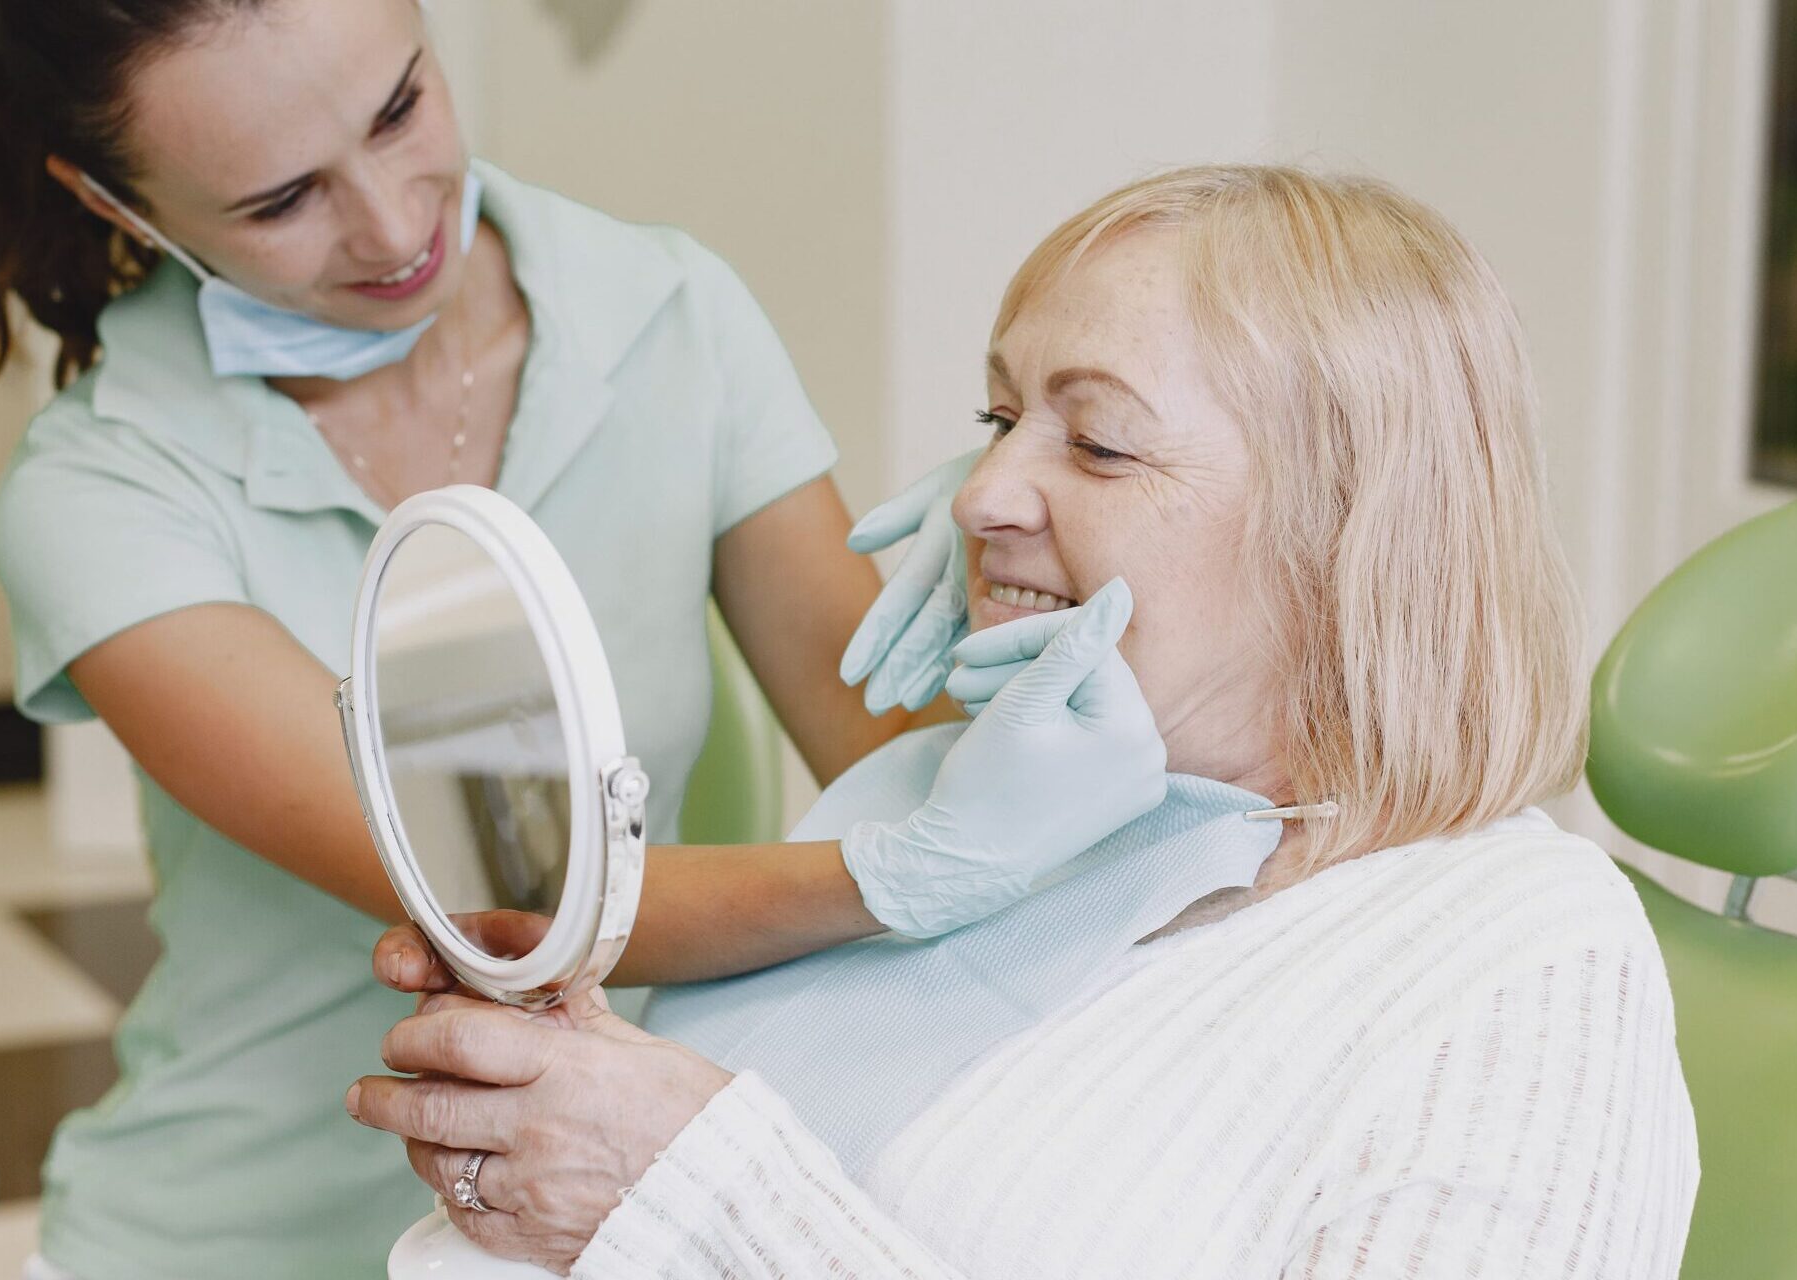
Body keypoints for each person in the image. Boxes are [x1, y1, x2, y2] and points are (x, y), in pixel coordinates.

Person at [0, 0, 1167, 1275]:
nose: (396, 227)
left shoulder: (666, 312)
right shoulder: (102, 491)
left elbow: (891, 752)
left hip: (594, 1216)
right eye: (280, 199)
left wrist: (1037, 550)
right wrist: (894, 872)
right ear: (119, 203)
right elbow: (507, 894)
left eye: (400, 108)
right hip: (236, 1239)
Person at [353, 164, 1703, 1277]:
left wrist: (691, 1194)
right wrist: (552, 1112)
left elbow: (715, 1198)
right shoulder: (997, 810)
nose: (978, 494)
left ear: (1349, 536)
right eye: (997, 417)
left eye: (1099, 442)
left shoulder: (1519, 961)